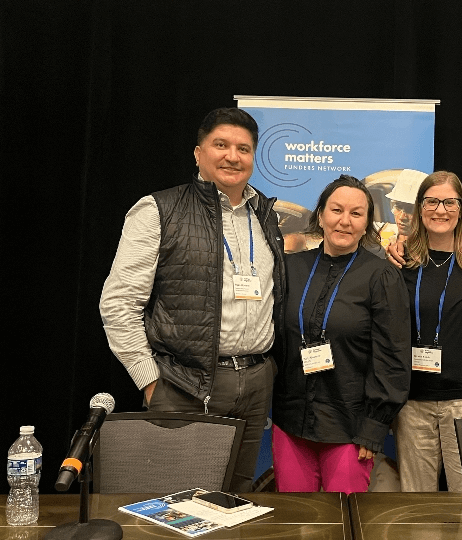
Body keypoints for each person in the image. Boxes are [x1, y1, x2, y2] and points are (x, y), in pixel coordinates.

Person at [99, 107, 286, 492]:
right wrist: (152, 382)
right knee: (178, 502)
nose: (233, 156)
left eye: (244, 148)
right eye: (221, 145)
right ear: (199, 153)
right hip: (183, 384)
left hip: (254, 383)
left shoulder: (265, 216)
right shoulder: (158, 209)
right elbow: (118, 303)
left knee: (235, 497)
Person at [272, 175, 412, 494]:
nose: (344, 221)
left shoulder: (381, 276)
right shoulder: (290, 268)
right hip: (291, 423)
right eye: (336, 210)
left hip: (350, 429)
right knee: (298, 522)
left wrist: (374, 425)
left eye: (356, 214)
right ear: (320, 216)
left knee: (343, 522)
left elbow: (393, 358)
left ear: (367, 224)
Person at [393, 171, 462, 492]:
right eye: (432, 201)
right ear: (420, 208)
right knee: (416, 506)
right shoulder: (400, 262)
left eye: (449, 202)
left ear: (461, 209)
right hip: (413, 404)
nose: (440, 210)